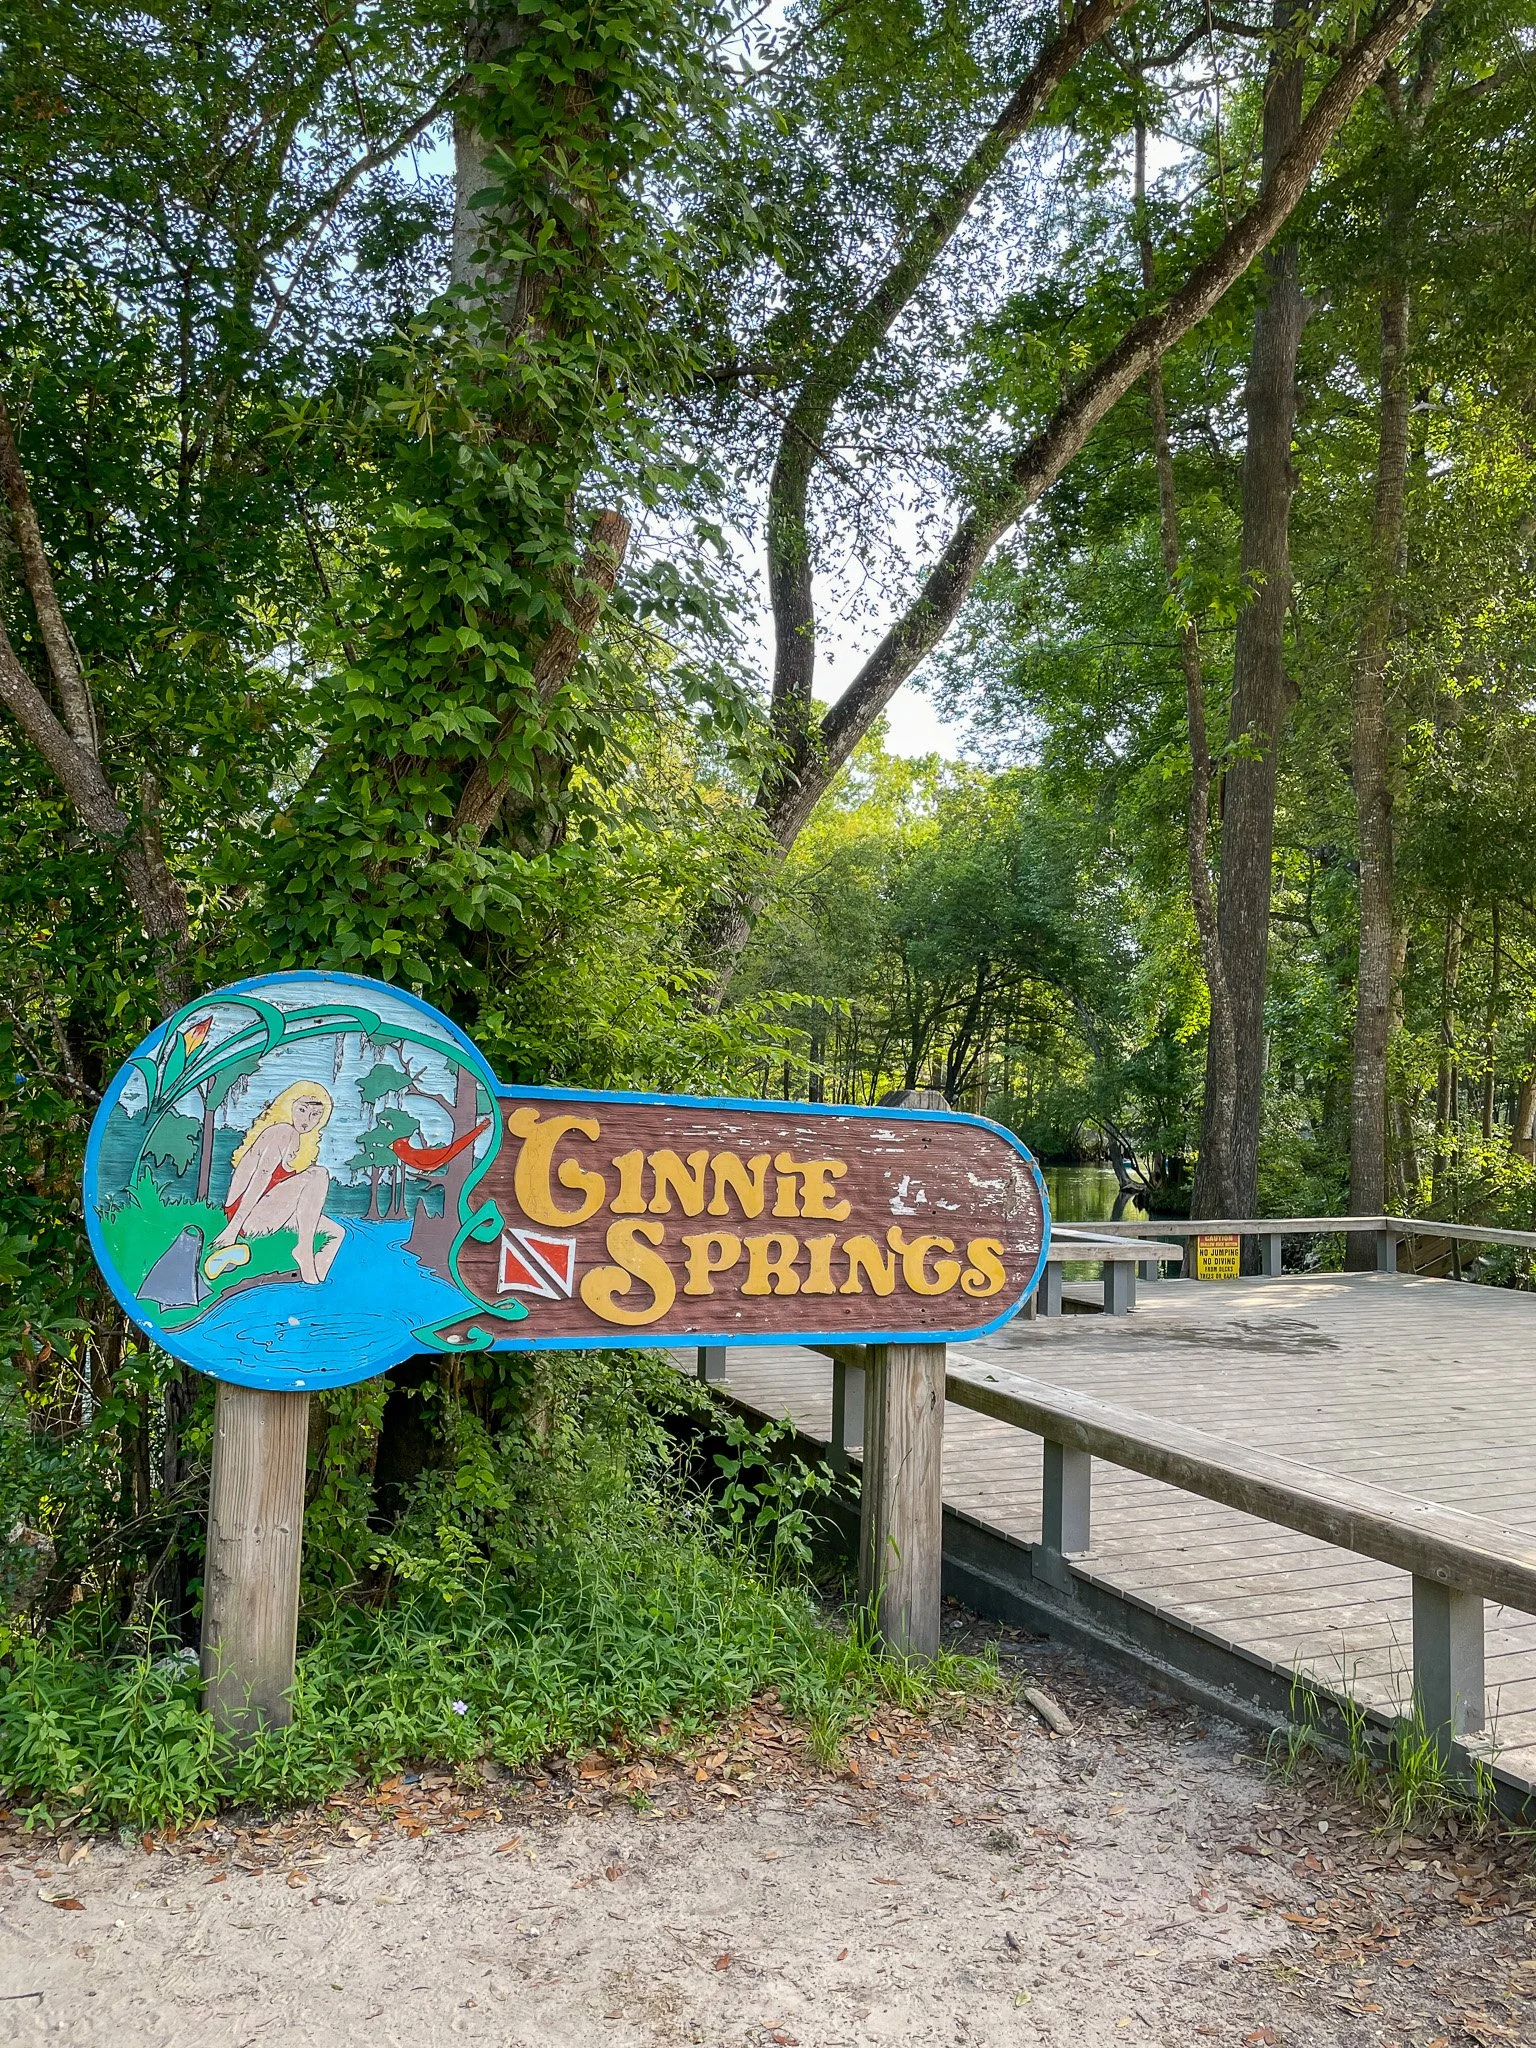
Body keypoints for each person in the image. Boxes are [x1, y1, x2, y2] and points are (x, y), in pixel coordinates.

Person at [204, 1081, 344, 1285]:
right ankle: (304, 1251)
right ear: (288, 1105)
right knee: (319, 1174)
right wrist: (233, 1229)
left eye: (315, 1115)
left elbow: (295, 1199)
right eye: (302, 1110)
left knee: (337, 1233)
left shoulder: (301, 1143)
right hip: (247, 1215)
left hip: (272, 1211)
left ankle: (314, 1284)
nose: (307, 1120)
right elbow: (259, 1180)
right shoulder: (282, 1132)